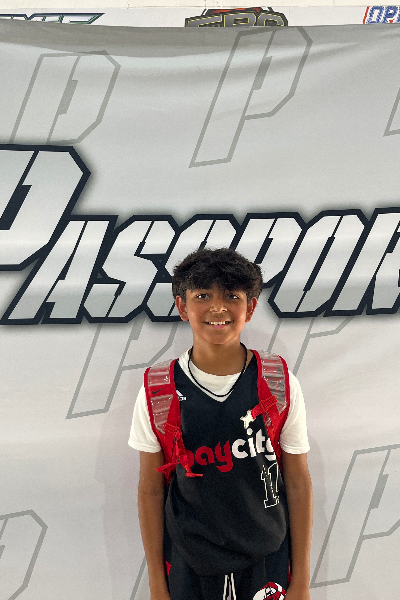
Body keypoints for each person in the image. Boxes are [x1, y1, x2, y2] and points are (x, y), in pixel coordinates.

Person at [129, 247, 312, 600]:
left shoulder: (278, 381)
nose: (217, 308)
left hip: (267, 557)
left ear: (251, 307)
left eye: (231, 296)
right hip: (189, 561)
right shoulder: (159, 389)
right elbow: (150, 489)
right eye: (203, 295)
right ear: (182, 306)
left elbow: (298, 481)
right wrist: (156, 584)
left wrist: (302, 580)